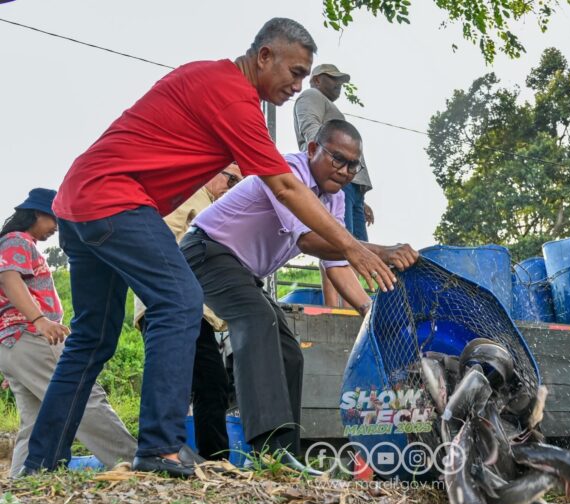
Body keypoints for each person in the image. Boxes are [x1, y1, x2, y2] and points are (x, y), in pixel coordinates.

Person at [24, 18, 395, 478]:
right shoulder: (230, 94)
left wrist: (358, 269)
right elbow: (283, 186)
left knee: (92, 340)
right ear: (264, 57)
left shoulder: (219, 89)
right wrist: (354, 246)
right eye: (295, 72)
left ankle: (40, 461)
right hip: (115, 199)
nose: (298, 86)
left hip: (80, 202)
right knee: (180, 300)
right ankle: (160, 447)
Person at [180, 120, 418, 472]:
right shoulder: (288, 172)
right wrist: (379, 250)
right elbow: (307, 239)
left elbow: (336, 262)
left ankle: (284, 456)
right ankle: (269, 446)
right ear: (312, 150)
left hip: (241, 270)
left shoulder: (334, 199)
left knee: (290, 352)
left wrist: (369, 311)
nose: (345, 171)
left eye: (354, 164)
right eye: (337, 159)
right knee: (256, 321)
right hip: (206, 250)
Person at [0, 189, 136, 478]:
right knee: (81, 395)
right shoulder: (16, 241)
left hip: (13, 344)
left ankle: (23, 482)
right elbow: (9, 278)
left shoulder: (16, 243)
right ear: (37, 213)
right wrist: (39, 320)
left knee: (36, 419)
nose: (56, 228)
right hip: (29, 336)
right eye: (54, 220)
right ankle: (132, 459)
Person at [133, 164, 242, 460]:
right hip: (174, 302)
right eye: (230, 177)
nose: (232, 186)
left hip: (183, 305)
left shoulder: (211, 204)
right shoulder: (191, 195)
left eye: (238, 182)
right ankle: (211, 459)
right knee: (206, 381)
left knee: (191, 381)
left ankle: (179, 454)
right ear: (211, 170)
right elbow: (162, 235)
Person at [293, 64, 375, 306]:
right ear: (316, 80)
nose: (339, 84)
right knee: (337, 242)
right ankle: (335, 307)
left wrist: (360, 196)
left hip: (350, 185)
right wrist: (322, 166)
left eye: (341, 80)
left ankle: (354, 304)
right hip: (335, 179)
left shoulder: (330, 106)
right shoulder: (311, 96)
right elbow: (311, 128)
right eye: (333, 79)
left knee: (359, 245)